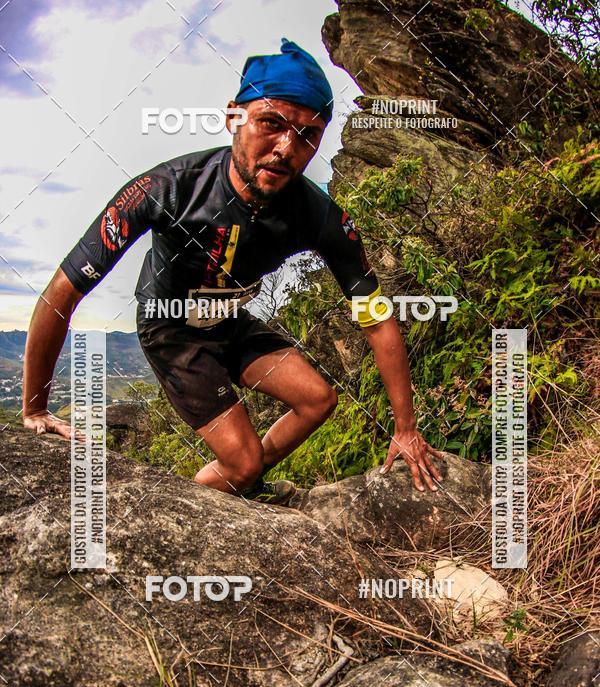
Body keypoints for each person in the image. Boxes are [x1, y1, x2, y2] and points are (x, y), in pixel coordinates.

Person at [22, 38, 443, 503]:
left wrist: (405, 429)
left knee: (317, 399)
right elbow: (61, 292)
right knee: (241, 461)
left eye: (308, 135)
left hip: (228, 319)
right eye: (271, 123)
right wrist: (35, 409)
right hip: (171, 326)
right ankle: (186, 505)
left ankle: (239, 489)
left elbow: (377, 315)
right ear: (233, 116)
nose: (286, 148)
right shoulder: (168, 188)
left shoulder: (319, 215)